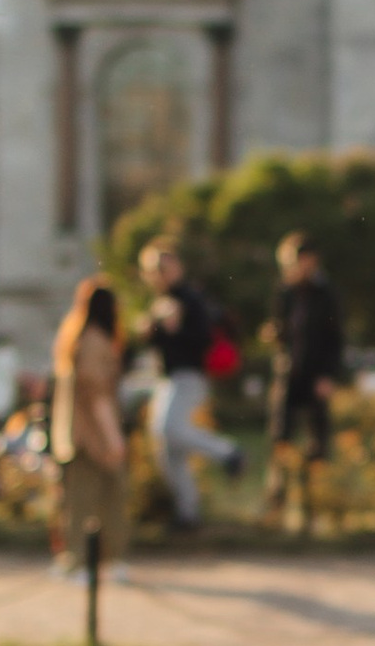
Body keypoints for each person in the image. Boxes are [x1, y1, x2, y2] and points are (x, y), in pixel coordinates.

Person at [140, 239, 243, 531]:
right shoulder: (160, 301)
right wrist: (152, 330)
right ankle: (188, 513)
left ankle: (228, 452)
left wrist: (169, 330)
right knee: (168, 449)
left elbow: (201, 339)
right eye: (153, 270)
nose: (158, 274)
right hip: (167, 377)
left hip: (188, 376)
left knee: (167, 429)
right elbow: (156, 341)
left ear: (176, 267)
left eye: (163, 267)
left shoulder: (189, 298)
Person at [263, 232, 345, 526]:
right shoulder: (285, 291)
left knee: (317, 442)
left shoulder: (326, 293)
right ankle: (276, 504)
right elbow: (281, 330)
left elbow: (336, 339)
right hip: (288, 372)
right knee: (280, 437)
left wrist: (328, 375)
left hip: (316, 374)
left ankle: (315, 508)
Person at [49, 278, 128, 575]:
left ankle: (77, 559)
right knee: (107, 497)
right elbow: (97, 396)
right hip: (92, 434)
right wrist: (113, 438)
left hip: (75, 432)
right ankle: (86, 561)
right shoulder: (97, 342)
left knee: (77, 500)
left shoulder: (78, 339)